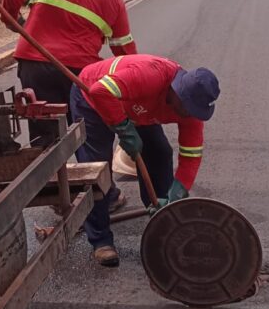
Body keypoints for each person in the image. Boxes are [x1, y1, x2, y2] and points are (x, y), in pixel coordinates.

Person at [0, 0, 137, 211]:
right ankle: (104, 196)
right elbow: (124, 50)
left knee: (45, 133)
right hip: (80, 74)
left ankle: (58, 198)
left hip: (34, 63)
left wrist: (16, 22)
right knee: (90, 133)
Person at [71, 54, 220, 266]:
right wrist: (123, 127)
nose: (188, 114)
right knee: (98, 168)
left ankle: (162, 219)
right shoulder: (151, 76)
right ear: (177, 91)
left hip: (137, 108)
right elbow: (100, 91)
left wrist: (177, 192)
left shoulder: (191, 112)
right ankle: (101, 240)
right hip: (92, 98)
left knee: (159, 152)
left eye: (194, 111)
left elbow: (191, 155)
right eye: (186, 107)